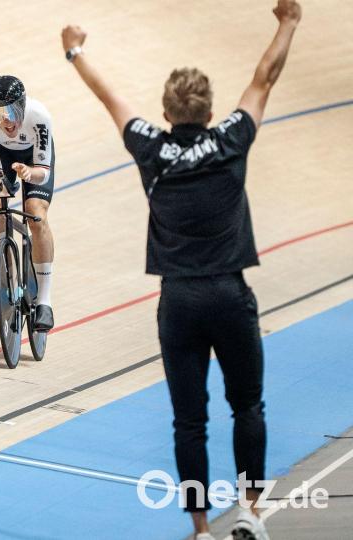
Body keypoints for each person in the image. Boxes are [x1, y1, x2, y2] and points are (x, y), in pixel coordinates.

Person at [61, 1, 302, 538]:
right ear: (211, 111)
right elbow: (266, 77)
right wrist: (288, 22)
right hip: (229, 295)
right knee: (248, 407)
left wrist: (75, 51)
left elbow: (110, 98)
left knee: (189, 420)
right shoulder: (231, 140)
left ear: (167, 115)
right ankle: (250, 513)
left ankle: (199, 528)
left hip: (180, 305)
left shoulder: (151, 148)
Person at [0, 76, 56, 330]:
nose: (7, 120)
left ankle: (44, 301)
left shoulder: (39, 116)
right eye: (0, 114)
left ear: (22, 106)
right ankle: (10, 265)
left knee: (36, 214)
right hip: (3, 157)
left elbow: (44, 171)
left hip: (34, 160)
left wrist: (31, 174)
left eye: (12, 111)